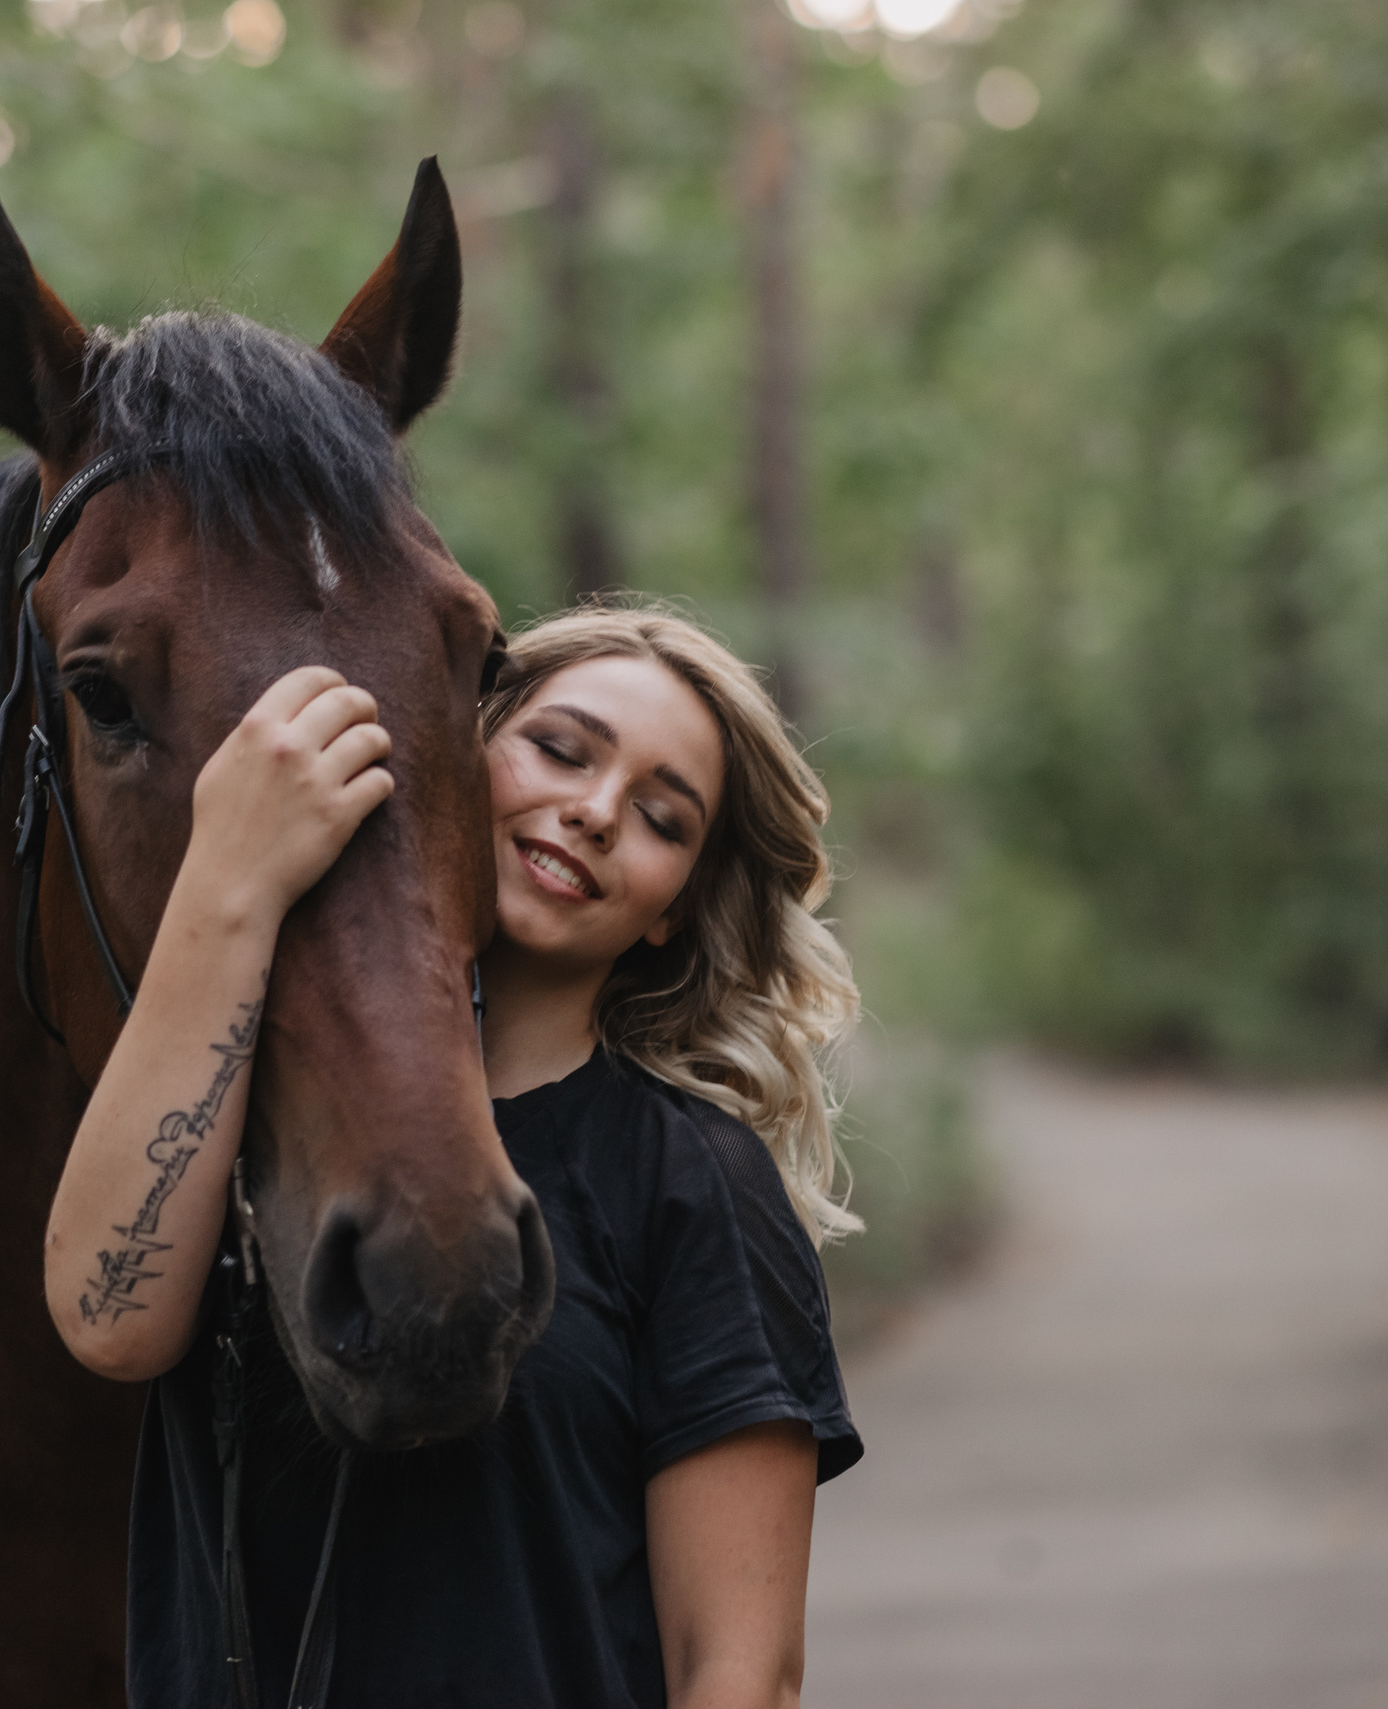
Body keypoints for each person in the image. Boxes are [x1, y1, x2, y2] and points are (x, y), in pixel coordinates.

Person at [45, 604, 864, 1709]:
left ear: (671, 910)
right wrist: (232, 871)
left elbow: (737, 1666)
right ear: (455, 750)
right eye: (559, 749)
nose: (593, 811)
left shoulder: (690, 1181)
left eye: (663, 819)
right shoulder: (246, 1100)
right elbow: (111, 1314)